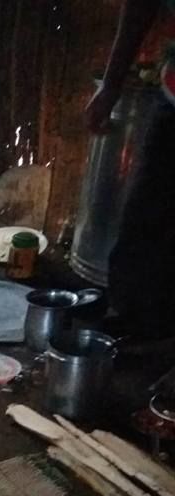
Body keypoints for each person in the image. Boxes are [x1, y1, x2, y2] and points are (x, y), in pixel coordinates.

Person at [86, 0, 175, 339]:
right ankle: (134, 323)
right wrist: (110, 87)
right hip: (172, 103)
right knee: (143, 219)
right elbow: (140, 7)